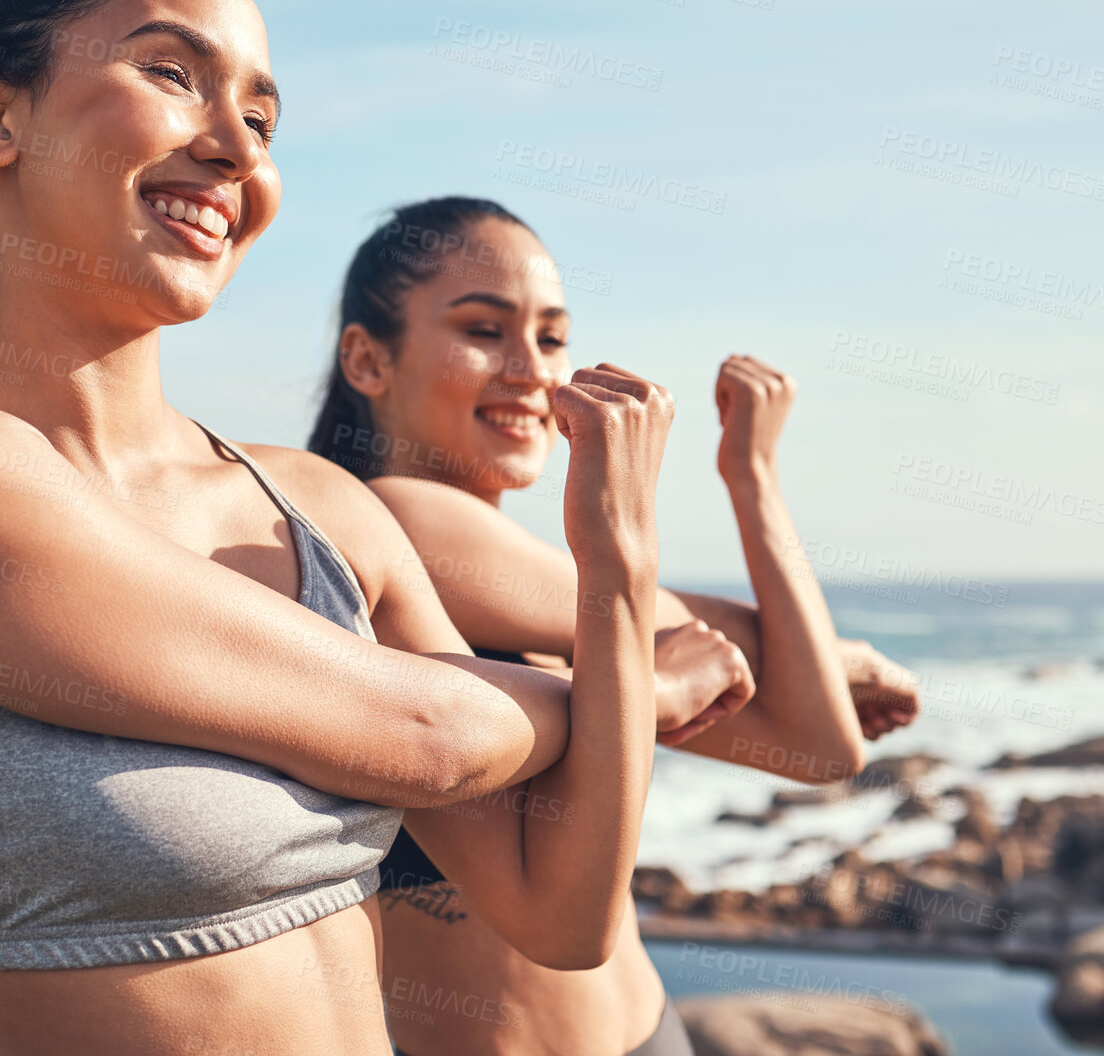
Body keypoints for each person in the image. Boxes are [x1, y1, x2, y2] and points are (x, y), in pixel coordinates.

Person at [0, 0, 732, 1055]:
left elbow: (560, 912)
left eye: (259, 118)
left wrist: (621, 572)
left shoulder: (321, 507)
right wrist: (638, 685)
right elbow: (425, 734)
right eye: (171, 73)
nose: (236, 148)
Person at [307, 197, 922, 1055]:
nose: (530, 369)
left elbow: (813, 744)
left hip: (645, 1029)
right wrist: (751, 493)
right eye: (484, 329)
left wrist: (753, 479)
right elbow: (770, 682)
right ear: (367, 360)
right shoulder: (399, 514)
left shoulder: (528, 579)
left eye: (552, 338)